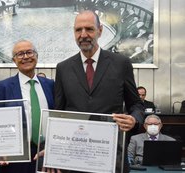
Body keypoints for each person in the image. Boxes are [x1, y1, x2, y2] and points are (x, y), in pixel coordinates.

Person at [54, 10, 144, 173]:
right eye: (78, 30)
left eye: (89, 29)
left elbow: (136, 104)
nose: (83, 34)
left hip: (111, 154)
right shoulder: (63, 68)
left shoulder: (121, 63)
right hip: (73, 157)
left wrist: (134, 120)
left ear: (100, 31)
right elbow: (58, 113)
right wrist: (53, 149)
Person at [0, 40, 54, 173]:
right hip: (15, 158)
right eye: (20, 54)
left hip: (47, 155)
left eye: (29, 52)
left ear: (36, 56)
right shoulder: (1, 87)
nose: (26, 57)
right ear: (14, 60)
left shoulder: (51, 85)